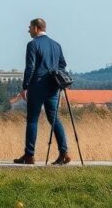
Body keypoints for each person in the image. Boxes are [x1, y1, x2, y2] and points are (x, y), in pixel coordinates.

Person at [14, 17, 71, 165]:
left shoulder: (32, 45)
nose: (28, 30)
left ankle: (29, 155)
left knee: (32, 120)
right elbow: (62, 65)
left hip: (37, 86)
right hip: (53, 87)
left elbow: (30, 67)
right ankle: (64, 152)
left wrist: (25, 86)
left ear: (36, 28)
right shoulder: (56, 45)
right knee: (54, 119)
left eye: (30, 27)